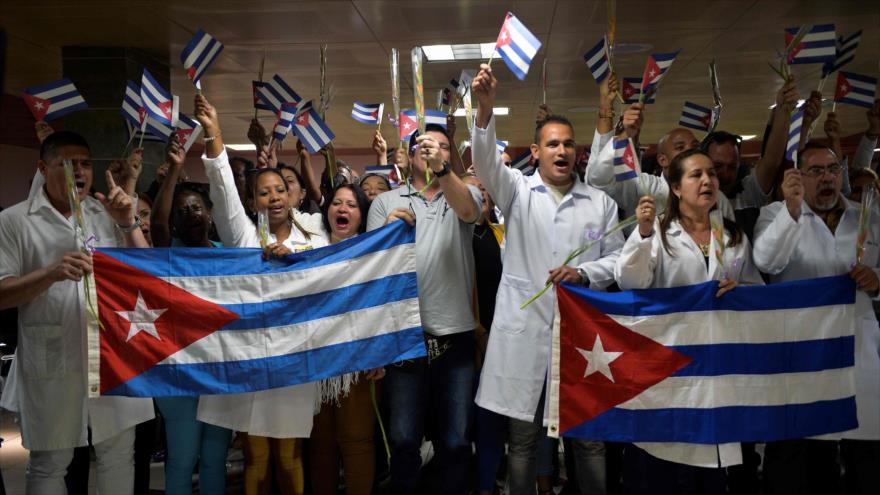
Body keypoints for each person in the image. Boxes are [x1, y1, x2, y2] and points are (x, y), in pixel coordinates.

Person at [471, 63, 623, 495]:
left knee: (589, 441)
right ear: (535, 151)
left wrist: (585, 272)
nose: (562, 151)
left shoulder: (600, 204)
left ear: (578, 152)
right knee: (521, 440)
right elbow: (484, 164)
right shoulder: (518, 191)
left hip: (582, 337)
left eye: (568, 144)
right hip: (526, 333)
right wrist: (484, 110)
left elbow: (618, 260)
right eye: (552, 144)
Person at [0, 131, 154, 495]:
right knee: (50, 462)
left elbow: (147, 276)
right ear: (43, 168)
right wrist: (50, 273)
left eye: (85, 164)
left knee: (119, 454)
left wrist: (128, 221)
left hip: (113, 353)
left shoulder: (104, 212)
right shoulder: (16, 220)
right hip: (53, 353)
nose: (79, 172)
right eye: (67, 164)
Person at [193, 94, 324, 495]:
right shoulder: (244, 236)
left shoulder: (314, 236)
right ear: (254, 202)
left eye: (281, 189)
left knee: (289, 457)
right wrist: (214, 135)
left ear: (293, 194)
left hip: (294, 361)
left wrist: (296, 263)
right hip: (249, 359)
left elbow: (325, 281)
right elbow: (222, 191)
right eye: (264, 192)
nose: (274, 197)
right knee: (257, 458)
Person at [614, 148, 764, 494]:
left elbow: (756, 291)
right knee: (665, 463)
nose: (708, 180)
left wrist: (741, 291)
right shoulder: (661, 233)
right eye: (696, 175)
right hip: (668, 365)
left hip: (718, 362)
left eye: (711, 173)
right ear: (677, 188)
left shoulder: (732, 236)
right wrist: (644, 233)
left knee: (710, 467)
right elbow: (629, 281)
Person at [753, 143, 880, 495]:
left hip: (860, 353)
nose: (827, 178)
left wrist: (878, 280)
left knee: (865, 456)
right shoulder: (776, 214)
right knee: (799, 458)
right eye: (816, 171)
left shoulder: (868, 215)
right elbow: (766, 262)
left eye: (833, 169)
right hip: (801, 356)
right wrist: (792, 211)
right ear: (797, 177)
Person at [367, 119, 482, 493]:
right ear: (410, 152)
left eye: (443, 146)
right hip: (403, 338)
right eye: (425, 144)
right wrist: (387, 229)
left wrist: (444, 172)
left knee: (456, 440)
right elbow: (371, 267)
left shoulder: (463, 192)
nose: (433, 149)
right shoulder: (385, 201)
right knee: (402, 440)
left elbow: (469, 212)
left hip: (455, 337)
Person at [147, 135, 233, 494]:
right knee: (182, 459)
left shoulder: (229, 255)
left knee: (215, 459)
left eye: (196, 208)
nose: (190, 214)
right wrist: (175, 172)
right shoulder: (169, 252)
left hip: (219, 372)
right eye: (182, 211)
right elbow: (157, 225)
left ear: (209, 214)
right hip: (178, 375)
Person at [309, 183, 385, 495]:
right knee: (320, 443)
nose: (343, 209)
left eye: (352, 204)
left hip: (361, 362)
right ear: (327, 211)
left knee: (357, 442)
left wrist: (381, 351)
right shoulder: (309, 250)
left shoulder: (375, 253)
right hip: (316, 362)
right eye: (337, 203)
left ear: (362, 215)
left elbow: (384, 303)